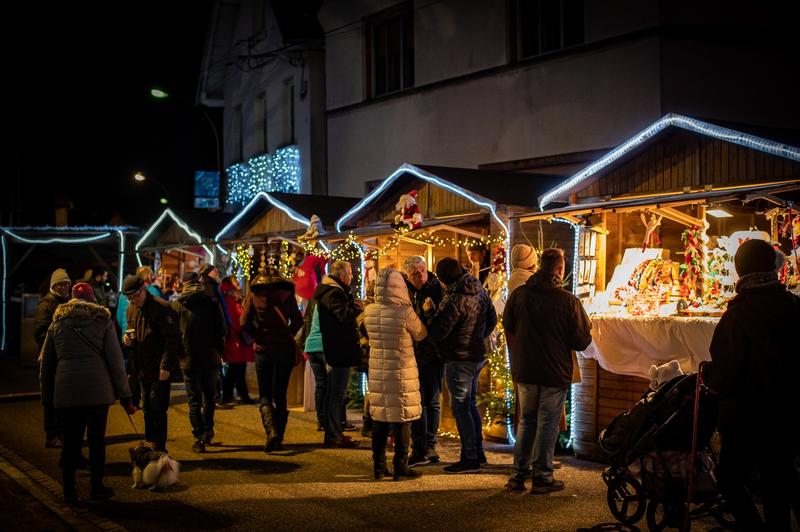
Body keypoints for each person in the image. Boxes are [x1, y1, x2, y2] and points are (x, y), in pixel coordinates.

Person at [709, 239, 800, 530]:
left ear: (740, 270)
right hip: (788, 415)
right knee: (778, 482)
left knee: (730, 479)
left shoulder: (737, 316)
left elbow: (725, 374)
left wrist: (709, 375)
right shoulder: (795, 306)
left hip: (747, 418)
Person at [503, 248, 592, 494]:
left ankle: (518, 476)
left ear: (539, 266)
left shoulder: (519, 295)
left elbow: (508, 325)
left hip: (526, 370)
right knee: (547, 424)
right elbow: (581, 340)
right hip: (554, 372)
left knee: (527, 422)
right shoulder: (568, 301)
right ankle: (542, 476)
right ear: (561, 270)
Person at [39, 283, 134, 503]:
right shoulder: (102, 321)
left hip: (67, 392)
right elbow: (116, 361)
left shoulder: (57, 323)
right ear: (92, 299)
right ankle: (96, 487)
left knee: (71, 443)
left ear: (71, 298)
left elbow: (47, 365)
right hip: (97, 392)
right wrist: (125, 394)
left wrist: (47, 397)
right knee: (96, 442)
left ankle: (69, 491)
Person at [425, 257, 497, 473]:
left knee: (461, 407)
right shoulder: (479, 289)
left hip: (458, 358)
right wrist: (477, 338)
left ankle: (470, 456)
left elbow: (438, 331)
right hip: (476, 356)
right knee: (470, 405)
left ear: (444, 278)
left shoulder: (454, 298)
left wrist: (429, 311)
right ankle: (478, 453)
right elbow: (492, 319)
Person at [364, 269, 428, 480]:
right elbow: (420, 333)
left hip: (378, 372)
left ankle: (378, 467)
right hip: (401, 372)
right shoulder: (404, 312)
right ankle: (400, 466)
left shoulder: (370, 311)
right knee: (402, 420)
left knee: (380, 419)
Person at [241, 273, 303, 452]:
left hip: (264, 350)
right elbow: (298, 320)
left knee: (265, 395)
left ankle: (271, 433)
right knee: (281, 394)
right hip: (284, 350)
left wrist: (257, 337)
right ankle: (280, 438)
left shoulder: (254, 296)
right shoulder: (287, 295)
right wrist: (287, 334)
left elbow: (244, 322)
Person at [122, 274, 181, 452]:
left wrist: (166, 366)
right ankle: (150, 445)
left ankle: (160, 449)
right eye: (129, 298)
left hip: (158, 367)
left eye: (135, 296)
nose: (133, 300)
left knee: (157, 409)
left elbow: (173, 339)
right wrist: (127, 340)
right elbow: (132, 332)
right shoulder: (131, 308)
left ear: (143, 290)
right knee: (147, 409)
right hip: (141, 367)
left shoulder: (162, 308)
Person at [171, 272, 226, 453]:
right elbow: (221, 329)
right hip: (210, 358)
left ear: (184, 284)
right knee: (209, 398)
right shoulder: (211, 302)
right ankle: (208, 429)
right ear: (199, 283)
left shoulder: (177, 305)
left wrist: (178, 354)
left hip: (189, 359)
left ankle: (199, 437)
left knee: (194, 401)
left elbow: (173, 334)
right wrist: (219, 351)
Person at [314, 260, 362, 448]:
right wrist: (358, 308)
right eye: (350, 273)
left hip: (335, 348)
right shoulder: (334, 293)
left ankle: (333, 432)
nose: (352, 276)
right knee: (336, 394)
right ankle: (333, 434)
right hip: (339, 349)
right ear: (342, 275)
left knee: (333, 393)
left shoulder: (329, 291)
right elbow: (342, 315)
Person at [402, 256, 444, 466]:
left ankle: (429, 445)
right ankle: (419, 446)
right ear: (408, 276)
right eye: (415, 273)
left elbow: (440, 323)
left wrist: (430, 313)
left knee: (432, 401)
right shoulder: (405, 292)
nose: (420, 275)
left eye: (422, 270)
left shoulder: (437, 289)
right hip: (412, 354)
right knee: (418, 401)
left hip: (432, 354)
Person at [34, 268, 72, 448]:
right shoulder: (46, 304)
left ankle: (61, 433)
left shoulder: (67, 302)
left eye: (66, 284)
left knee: (62, 397)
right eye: (61, 284)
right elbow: (40, 332)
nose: (64, 287)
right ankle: (51, 435)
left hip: (63, 357)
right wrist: (58, 342)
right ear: (53, 285)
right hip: (50, 357)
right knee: (50, 397)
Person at [220, 276, 254, 405]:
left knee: (237, 367)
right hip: (236, 339)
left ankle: (233, 394)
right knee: (236, 367)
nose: (238, 283)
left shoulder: (233, 299)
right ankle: (238, 395)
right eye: (235, 281)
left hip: (236, 338)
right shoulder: (230, 300)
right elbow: (235, 320)